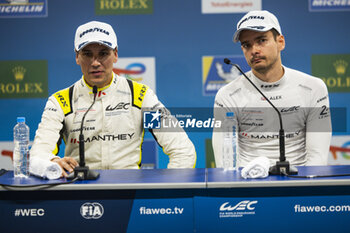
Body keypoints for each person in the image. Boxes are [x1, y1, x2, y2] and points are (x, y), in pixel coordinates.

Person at [30, 21, 196, 177]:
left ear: (115, 55)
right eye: (87, 54)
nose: (95, 63)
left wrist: (170, 192)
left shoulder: (140, 96)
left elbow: (182, 149)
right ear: (77, 57)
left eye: (103, 54)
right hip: (78, 195)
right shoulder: (61, 101)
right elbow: (37, 156)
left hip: (130, 195)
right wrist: (51, 163)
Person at [212, 10, 332, 168]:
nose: (254, 50)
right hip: (247, 183)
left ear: (280, 42)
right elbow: (225, 163)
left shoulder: (313, 88)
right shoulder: (228, 95)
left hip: (299, 181)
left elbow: (318, 158)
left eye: (261, 40)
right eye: (246, 45)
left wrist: (303, 186)